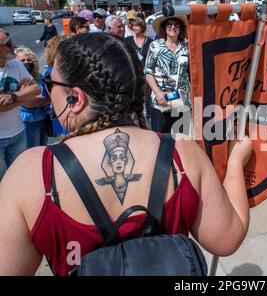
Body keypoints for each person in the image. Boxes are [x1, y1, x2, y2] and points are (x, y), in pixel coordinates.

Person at [0, 33, 252, 276]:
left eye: (50, 84)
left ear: (75, 97)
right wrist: (236, 163)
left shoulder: (31, 173)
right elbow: (227, 239)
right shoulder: (182, 152)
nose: (47, 92)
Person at [0, 28, 41, 180]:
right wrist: (23, 97)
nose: (13, 46)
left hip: (18, 134)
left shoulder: (15, 64)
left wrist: (13, 96)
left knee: (18, 177)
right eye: (7, 43)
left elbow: (36, 89)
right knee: (3, 182)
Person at [144, 16, 191, 133]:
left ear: (181, 28)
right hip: (162, 101)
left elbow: (191, 72)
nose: (173, 27)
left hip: (182, 101)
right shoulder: (155, 46)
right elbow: (148, 72)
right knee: (160, 140)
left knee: (182, 141)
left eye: (177, 24)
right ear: (164, 27)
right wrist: (157, 92)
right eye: (169, 24)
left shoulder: (187, 47)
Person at [15, 47, 51, 148]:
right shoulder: (17, 79)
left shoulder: (38, 76)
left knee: (43, 147)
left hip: (43, 117)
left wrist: (41, 98)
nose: (26, 62)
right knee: (32, 149)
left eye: (28, 59)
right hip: (27, 121)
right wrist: (47, 98)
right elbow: (30, 103)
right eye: (22, 60)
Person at [126, 18, 153, 119]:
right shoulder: (128, 40)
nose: (134, 27)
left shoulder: (150, 42)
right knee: (133, 95)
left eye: (136, 25)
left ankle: (149, 116)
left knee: (147, 95)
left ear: (142, 26)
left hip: (146, 73)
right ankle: (132, 117)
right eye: (132, 26)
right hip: (132, 73)